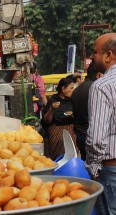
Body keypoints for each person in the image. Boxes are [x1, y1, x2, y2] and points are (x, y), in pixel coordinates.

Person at [85, 33, 116, 215]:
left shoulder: (102, 86)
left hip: (111, 171)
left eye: (95, 52)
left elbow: (96, 138)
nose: (91, 57)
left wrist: (93, 169)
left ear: (108, 55)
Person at [71, 62, 103, 160]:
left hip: (80, 134)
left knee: (86, 167)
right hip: (94, 136)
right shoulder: (97, 88)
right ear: (99, 74)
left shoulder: (76, 90)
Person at [42, 77, 76, 160]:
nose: (73, 90)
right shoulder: (53, 100)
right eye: (71, 88)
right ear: (63, 89)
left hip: (71, 131)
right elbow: (46, 121)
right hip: (56, 131)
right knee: (58, 157)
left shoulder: (73, 100)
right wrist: (51, 109)